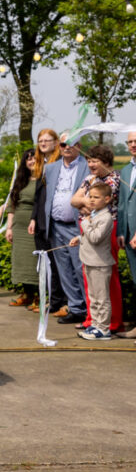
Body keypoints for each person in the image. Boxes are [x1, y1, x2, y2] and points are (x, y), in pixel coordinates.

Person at [34, 135, 90, 326]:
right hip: (56, 225)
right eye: (64, 144)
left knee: (80, 268)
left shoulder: (87, 166)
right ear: (59, 146)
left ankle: (89, 311)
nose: (67, 147)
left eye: (72, 144)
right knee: (64, 269)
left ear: (79, 146)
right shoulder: (50, 168)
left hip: (76, 226)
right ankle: (75, 308)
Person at [70, 144, 123, 334]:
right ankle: (93, 319)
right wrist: (85, 203)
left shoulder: (114, 179)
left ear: (106, 162)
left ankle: (113, 322)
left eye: (95, 161)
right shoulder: (89, 178)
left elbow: (94, 202)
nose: (90, 164)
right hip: (86, 228)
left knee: (107, 278)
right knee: (89, 278)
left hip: (105, 230)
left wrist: (85, 203)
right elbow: (73, 200)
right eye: (88, 160)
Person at [68, 183, 115, 341]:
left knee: (102, 298)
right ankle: (95, 324)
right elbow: (90, 235)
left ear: (107, 199)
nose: (92, 200)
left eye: (97, 197)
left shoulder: (106, 217)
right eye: (90, 197)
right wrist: (79, 238)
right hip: (89, 260)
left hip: (100, 264)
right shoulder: (94, 215)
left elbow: (96, 237)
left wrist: (84, 223)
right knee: (93, 297)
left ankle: (103, 328)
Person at [4, 149, 39, 308]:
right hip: (18, 226)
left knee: (34, 262)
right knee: (21, 261)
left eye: (34, 158)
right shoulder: (20, 181)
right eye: (28, 159)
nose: (31, 161)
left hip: (35, 226)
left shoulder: (43, 180)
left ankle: (39, 296)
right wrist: (9, 228)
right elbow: (13, 205)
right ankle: (27, 294)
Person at [115, 132, 136, 338]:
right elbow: (121, 204)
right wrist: (121, 231)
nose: (133, 145)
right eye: (129, 142)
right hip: (129, 235)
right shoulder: (126, 170)